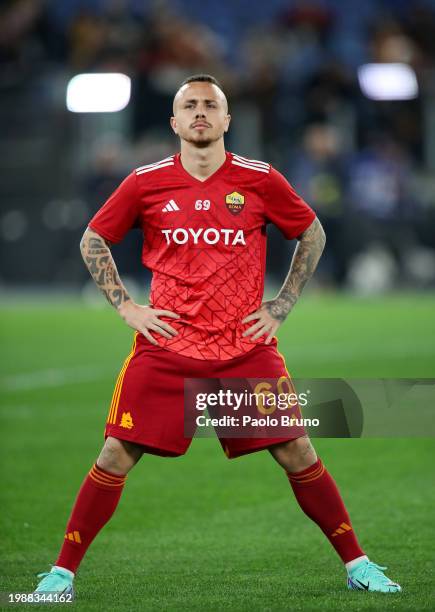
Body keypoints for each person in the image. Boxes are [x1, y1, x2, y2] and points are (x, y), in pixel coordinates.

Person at [35, 74, 401, 597]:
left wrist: (282, 304)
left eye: (211, 105)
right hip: (166, 349)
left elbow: (311, 231)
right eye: (190, 106)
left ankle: (358, 564)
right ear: (175, 122)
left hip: (244, 348)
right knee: (115, 453)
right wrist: (127, 308)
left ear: (227, 120)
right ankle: (61, 572)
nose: (201, 112)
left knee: (298, 448)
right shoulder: (145, 182)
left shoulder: (259, 179)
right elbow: (94, 237)